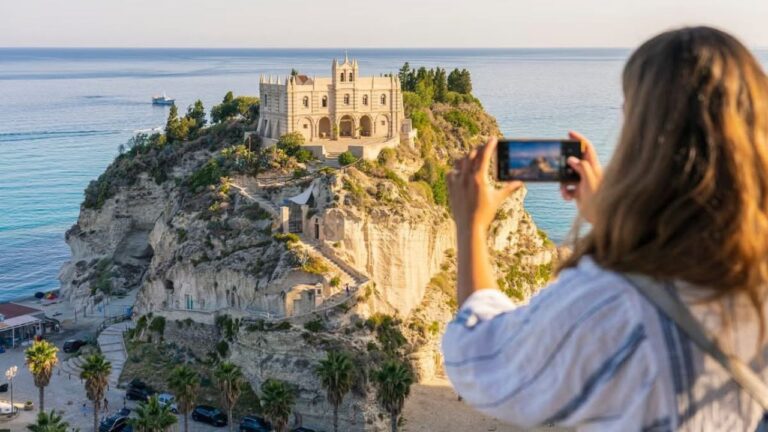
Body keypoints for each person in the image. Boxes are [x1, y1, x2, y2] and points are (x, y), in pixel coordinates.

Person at [442, 26, 768, 431]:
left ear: (645, 138)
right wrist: (611, 217)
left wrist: (472, 227)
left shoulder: (611, 303)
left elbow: (480, 357)